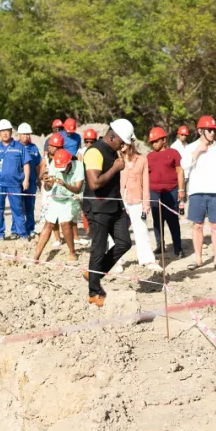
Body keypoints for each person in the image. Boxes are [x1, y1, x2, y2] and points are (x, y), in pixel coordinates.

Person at [82, 119, 135, 306]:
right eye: (122, 141)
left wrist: (123, 208)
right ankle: (94, 292)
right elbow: (94, 183)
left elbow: (113, 185)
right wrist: (115, 168)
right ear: (112, 135)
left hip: (114, 206)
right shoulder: (94, 152)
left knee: (124, 242)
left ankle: (93, 273)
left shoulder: (113, 152)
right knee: (98, 249)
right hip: (97, 208)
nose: (124, 145)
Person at [181, 115, 216, 270]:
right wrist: (197, 152)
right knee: (197, 226)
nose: (212, 133)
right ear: (200, 131)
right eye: (209, 130)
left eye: (214, 130)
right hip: (196, 192)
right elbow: (184, 166)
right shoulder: (190, 148)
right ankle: (198, 259)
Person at [0, 119, 31, 240]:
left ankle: (22, 234)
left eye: (7, 131)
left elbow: (26, 164)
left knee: (18, 210)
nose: (5, 133)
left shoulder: (20, 147)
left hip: (15, 184)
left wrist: (26, 180)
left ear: (11, 132)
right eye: (2, 131)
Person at [119, 138, 162, 272]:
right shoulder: (116, 160)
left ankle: (148, 259)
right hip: (120, 199)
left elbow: (145, 183)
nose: (121, 145)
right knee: (118, 231)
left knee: (141, 230)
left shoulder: (142, 160)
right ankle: (116, 261)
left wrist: (146, 204)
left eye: (124, 142)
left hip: (136, 199)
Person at [33, 148, 84, 262]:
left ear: (69, 163)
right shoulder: (54, 166)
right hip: (57, 197)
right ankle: (36, 257)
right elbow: (48, 187)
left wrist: (65, 185)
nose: (61, 171)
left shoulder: (79, 166)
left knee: (65, 223)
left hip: (71, 197)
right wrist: (46, 183)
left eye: (63, 169)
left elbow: (78, 189)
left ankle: (72, 252)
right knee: (48, 224)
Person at [146, 127, 186, 259]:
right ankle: (160, 245)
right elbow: (145, 175)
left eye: (156, 141)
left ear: (164, 140)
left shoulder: (173, 153)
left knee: (173, 220)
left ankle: (178, 247)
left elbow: (180, 171)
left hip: (171, 191)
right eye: (152, 142)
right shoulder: (149, 156)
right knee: (157, 221)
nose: (153, 144)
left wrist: (181, 189)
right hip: (154, 192)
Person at [17, 123, 43, 236]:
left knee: (30, 207)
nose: (26, 136)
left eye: (28, 134)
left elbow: (37, 164)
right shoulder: (14, 147)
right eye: (24, 134)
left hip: (31, 181)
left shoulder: (34, 148)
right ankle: (17, 230)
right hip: (17, 182)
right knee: (18, 207)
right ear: (19, 135)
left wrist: (39, 179)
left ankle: (30, 229)